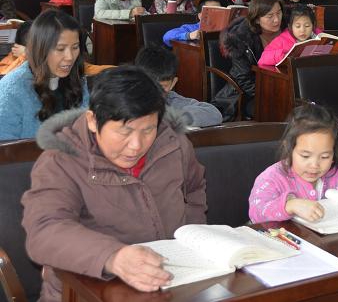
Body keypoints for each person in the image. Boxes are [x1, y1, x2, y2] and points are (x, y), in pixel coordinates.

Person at [21, 66, 207, 300]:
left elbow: (194, 188)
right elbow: (44, 230)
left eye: (148, 130)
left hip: (170, 283)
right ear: (92, 120)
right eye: (124, 132)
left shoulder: (173, 143)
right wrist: (112, 257)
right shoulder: (60, 160)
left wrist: (190, 237)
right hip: (82, 291)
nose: (136, 145)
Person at [248, 103, 338, 223]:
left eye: (325, 156)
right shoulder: (273, 178)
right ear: (288, 148)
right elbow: (256, 213)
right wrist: (289, 205)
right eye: (305, 156)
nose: (314, 165)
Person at [0, 11, 88, 140]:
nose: (70, 57)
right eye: (60, 49)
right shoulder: (11, 90)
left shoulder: (78, 79)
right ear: (40, 49)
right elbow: (5, 148)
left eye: (75, 47)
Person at [214, 0, 283, 119]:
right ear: (257, 19)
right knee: (280, 109)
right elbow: (243, 78)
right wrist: (268, 96)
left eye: (279, 13)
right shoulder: (240, 38)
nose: (276, 20)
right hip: (250, 93)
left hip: (280, 86)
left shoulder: (289, 30)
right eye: (270, 16)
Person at [135, 46, 222, 128]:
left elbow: (214, 114)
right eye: (149, 85)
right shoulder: (128, 100)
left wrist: (172, 118)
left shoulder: (171, 100)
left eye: (162, 87)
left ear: (173, 83)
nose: (155, 91)